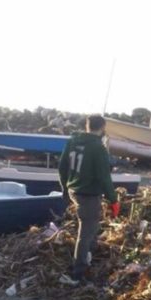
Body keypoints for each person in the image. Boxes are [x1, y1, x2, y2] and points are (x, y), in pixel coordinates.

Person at [58, 115, 120, 281]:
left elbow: (62, 167)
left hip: (74, 190)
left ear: (87, 125)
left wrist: (64, 189)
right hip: (88, 194)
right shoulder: (97, 148)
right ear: (103, 127)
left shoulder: (72, 141)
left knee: (91, 224)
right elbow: (104, 177)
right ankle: (78, 272)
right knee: (85, 233)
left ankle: (90, 256)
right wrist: (113, 199)